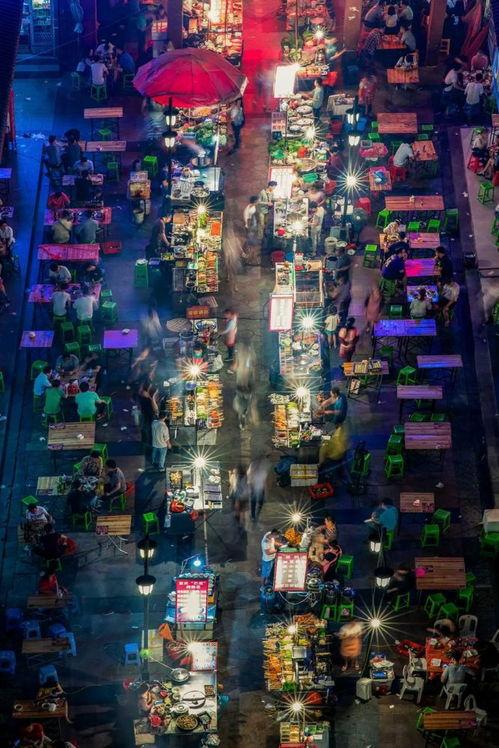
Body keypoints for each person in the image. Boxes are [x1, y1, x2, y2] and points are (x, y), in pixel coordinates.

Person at [247, 455, 270, 522]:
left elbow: (264, 481)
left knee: (257, 503)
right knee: (256, 502)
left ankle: (254, 516)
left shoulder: (262, 471)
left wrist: (266, 490)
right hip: (256, 488)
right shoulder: (254, 469)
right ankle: (254, 516)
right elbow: (250, 479)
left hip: (258, 488)